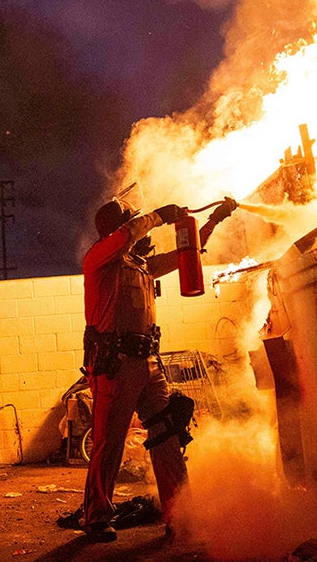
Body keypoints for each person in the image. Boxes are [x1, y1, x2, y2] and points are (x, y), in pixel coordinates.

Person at [80, 195, 239, 542]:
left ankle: (180, 514)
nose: (138, 229)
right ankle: (96, 517)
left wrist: (213, 221)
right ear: (116, 229)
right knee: (109, 444)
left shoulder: (141, 267)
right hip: (115, 364)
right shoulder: (98, 260)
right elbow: (126, 235)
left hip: (149, 364)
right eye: (131, 222)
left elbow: (187, 256)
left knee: (167, 436)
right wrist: (158, 216)